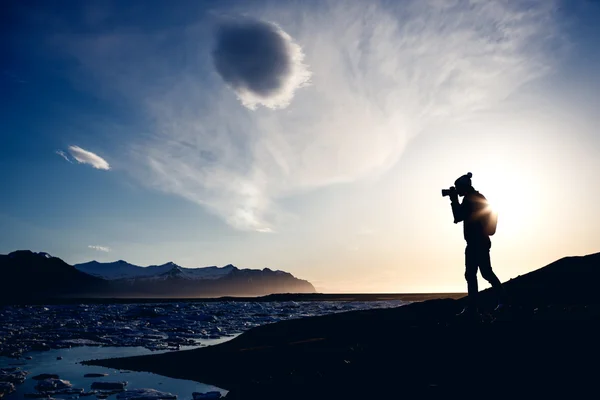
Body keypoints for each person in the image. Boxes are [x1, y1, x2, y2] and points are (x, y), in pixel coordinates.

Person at [448, 172, 507, 316]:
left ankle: (499, 301)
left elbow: (458, 217)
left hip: (477, 242)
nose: (457, 191)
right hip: (478, 242)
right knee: (475, 274)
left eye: (458, 188)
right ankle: (476, 306)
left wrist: (453, 200)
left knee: (482, 273)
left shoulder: (471, 200)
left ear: (464, 187)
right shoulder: (476, 197)